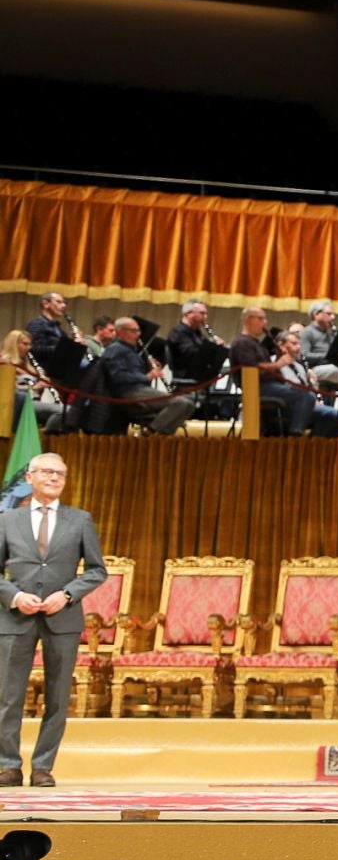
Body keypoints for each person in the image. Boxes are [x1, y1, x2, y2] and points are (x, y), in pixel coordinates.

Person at [0, 453, 107, 787]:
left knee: (58, 696)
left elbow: (96, 570)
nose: (55, 477)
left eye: (61, 473)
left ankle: (44, 766)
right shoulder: (7, 520)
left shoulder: (80, 520)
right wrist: (15, 596)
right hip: (15, 617)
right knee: (8, 696)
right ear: (29, 477)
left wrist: (68, 594)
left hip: (63, 618)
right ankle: (8, 765)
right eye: (47, 471)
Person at [229, 307, 316, 436]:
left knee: (305, 395)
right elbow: (251, 368)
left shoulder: (257, 343)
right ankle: (295, 433)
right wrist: (278, 364)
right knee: (304, 395)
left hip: (269, 386)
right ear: (247, 320)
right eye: (260, 319)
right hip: (257, 387)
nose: (265, 323)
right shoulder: (242, 342)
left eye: (265, 319)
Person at [99, 317, 192, 435]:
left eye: (138, 331)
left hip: (140, 389)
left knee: (189, 404)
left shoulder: (130, 349)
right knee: (180, 403)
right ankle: (149, 433)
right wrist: (147, 377)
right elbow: (118, 376)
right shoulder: (116, 350)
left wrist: (149, 367)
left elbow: (133, 371)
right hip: (128, 392)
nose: (138, 334)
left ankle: (161, 434)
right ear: (121, 332)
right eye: (134, 331)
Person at [276, 329, 338, 437]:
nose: (298, 347)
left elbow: (306, 387)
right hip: (288, 406)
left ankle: (313, 442)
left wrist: (313, 399)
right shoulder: (274, 362)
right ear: (281, 345)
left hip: (306, 404)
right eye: (294, 344)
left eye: (299, 344)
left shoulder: (299, 366)